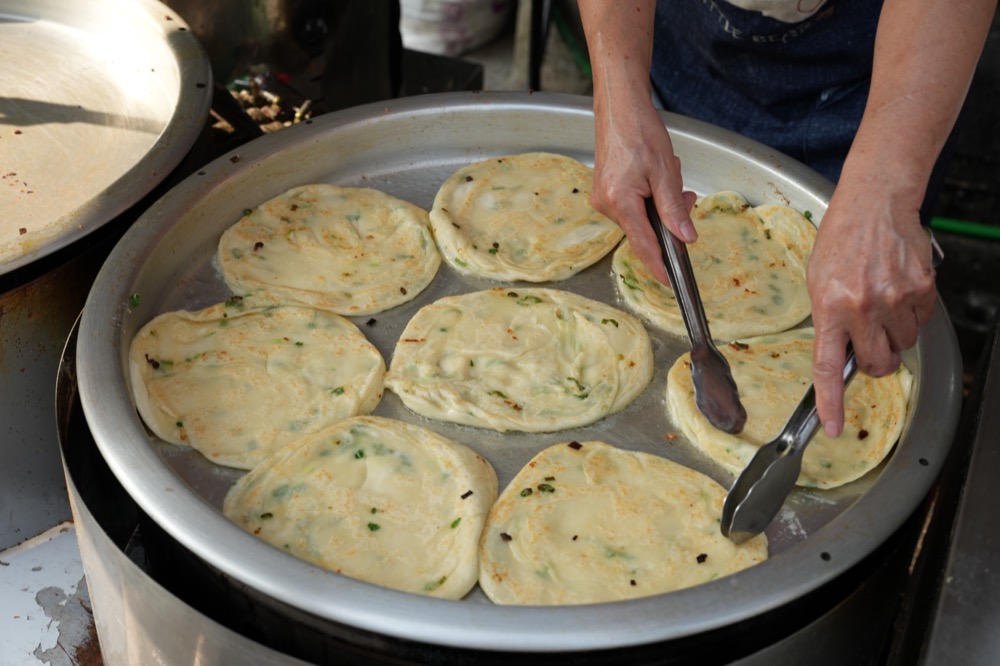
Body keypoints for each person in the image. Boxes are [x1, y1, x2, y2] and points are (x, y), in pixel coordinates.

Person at [577, 0, 996, 437]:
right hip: (675, 50)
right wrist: (618, 90)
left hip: (886, 91)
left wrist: (886, 189)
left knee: (867, 307)